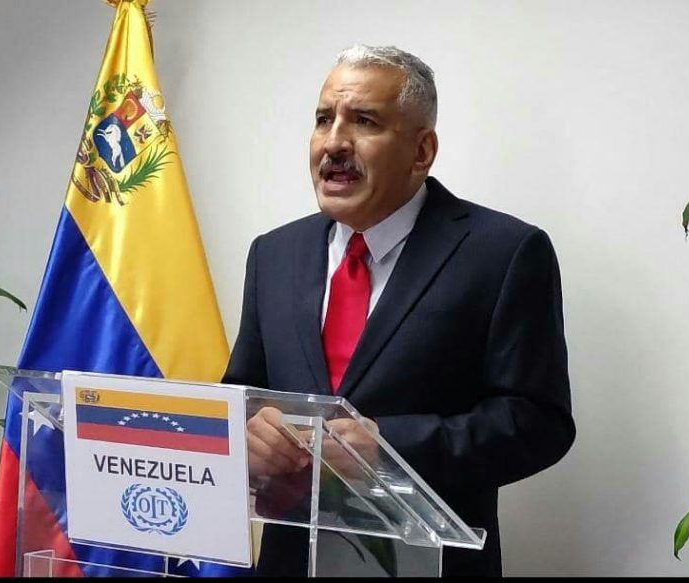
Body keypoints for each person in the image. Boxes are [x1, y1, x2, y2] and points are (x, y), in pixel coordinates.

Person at [222, 44, 576, 577]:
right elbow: (241, 394)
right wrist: (251, 434)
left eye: (363, 121)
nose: (334, 142)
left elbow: (538, 423)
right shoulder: (273, 253)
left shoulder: (504, 252)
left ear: (421, 151)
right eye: (324, 119)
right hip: (288, 561)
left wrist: (388, 448)